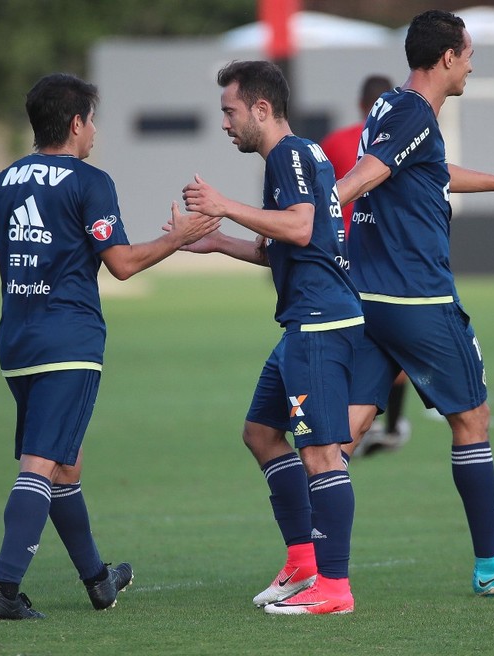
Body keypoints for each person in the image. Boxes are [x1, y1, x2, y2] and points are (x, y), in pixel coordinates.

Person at [0, 73, 220, 620]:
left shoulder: (3, 183)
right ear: (76, 124)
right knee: (40, 465)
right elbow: (121, 265)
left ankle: (99, 581)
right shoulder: (90, 182)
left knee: (64, 466)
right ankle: (3, 590)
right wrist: (179, 237)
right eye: (92, 120)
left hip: (19, 344)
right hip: (70, 344)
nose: (94, 131)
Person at [336, 10, 494, 595]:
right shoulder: (415, 111)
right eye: (467, 54)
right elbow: (366, 175)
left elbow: (428, 171)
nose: (471, 63)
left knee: (342, 435)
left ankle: (310, 567)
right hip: (416, 295)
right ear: (446, 58)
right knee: (472, 419)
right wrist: (313, 212)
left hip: (369, 296)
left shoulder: (393, 105)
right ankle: (491, 563)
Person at [180, 60, 362, 616]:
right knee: (261, 433)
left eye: (230, 111)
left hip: (319, 323)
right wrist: (218, 242)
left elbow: (302, 226)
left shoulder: (288, 154)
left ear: (261, 108)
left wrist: (224, 206)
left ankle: (335, 586)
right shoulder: (293, 158)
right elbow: (279, 245)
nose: (225, 123)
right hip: (301, 323)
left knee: (322, 453)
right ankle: (303, 562)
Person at [320, 74, 412, 459]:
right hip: (384, 257)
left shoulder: (337, 142)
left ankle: (350, 425)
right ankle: (389, 428)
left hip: (336, 258)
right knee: (399, 343)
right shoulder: (404, 141)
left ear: (361, 105)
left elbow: (316, 193)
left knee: (345, 343)